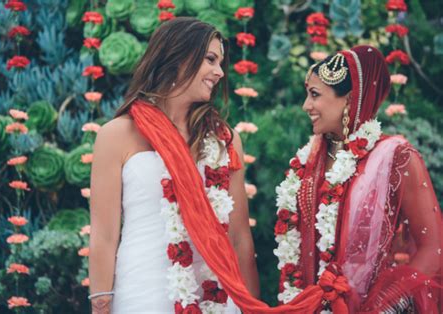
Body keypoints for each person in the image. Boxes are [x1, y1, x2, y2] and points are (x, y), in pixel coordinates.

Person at [88, 17, 260, 313]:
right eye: (210, 59)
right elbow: (103, 235)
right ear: (178, 57)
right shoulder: (116, 135)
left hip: (216, 297)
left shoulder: (223, 139)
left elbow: (240, 235)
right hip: (142, 293)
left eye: (220, 62)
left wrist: (253, 308)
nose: (219, 72)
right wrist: (101, 305)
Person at [273, 45, 441, 313]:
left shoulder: (395, 157)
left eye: (315, 95)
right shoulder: (308, 162)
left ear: (349, 100)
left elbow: (434, 247)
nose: (306, 106)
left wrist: (387, 304)